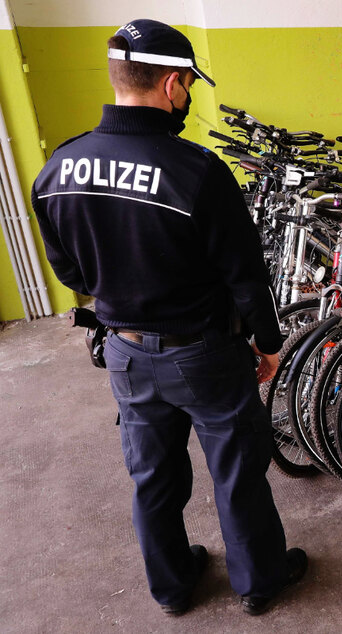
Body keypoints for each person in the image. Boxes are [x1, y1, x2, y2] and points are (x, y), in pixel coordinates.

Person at [31, 19, 306, 614]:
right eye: (187, 87)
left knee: (152, 477)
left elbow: (70, 272)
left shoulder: (59, 168)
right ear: (172, 84)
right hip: (204, 352)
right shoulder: (197, 172)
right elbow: (245, 277)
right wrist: (268, 342)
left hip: (125, 352)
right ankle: (258, 584)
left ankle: (173, 586)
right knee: (235, 470)